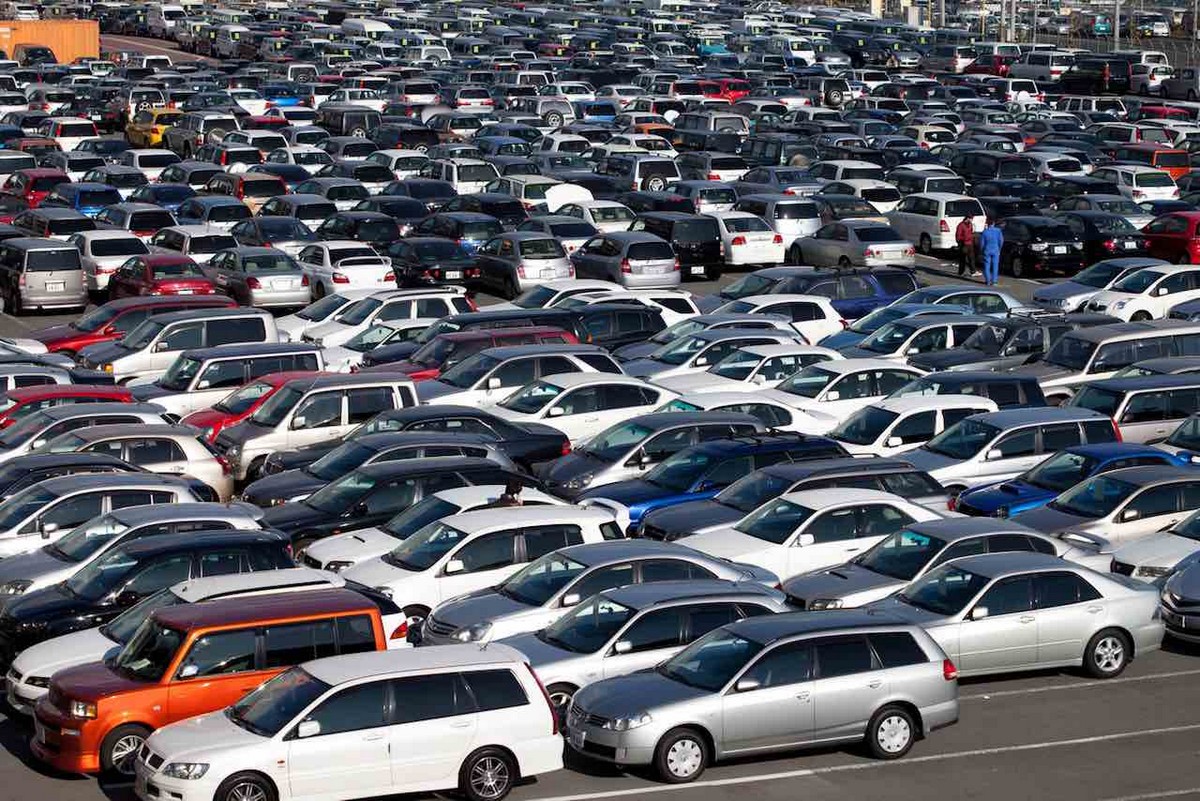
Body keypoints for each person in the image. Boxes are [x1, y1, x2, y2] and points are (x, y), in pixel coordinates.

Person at [979, 218, 1004, 286]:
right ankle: (994, 281)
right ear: (993, 223)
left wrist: (982, 250)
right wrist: (999, 248)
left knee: (987, 265)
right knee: (995, 265)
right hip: (995, 250)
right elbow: (1001, 241)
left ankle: (988, 280)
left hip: (987, 250)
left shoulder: (985, 232)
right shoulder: (998, 231)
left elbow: (982, 243)